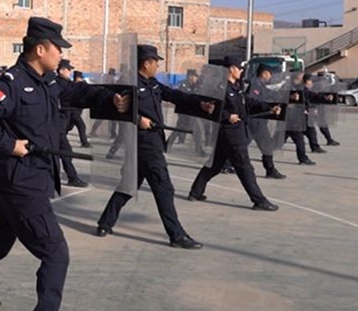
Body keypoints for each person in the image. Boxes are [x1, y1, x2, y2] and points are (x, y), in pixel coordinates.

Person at [0, 17, 131, 311]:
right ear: (40, 49)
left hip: (27, 179)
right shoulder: (11, 83)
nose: (61, 54)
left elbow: (78, 91)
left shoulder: (48, 80)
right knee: (55, 252)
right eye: (57, 49)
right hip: (22, 181)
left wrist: (112, 98)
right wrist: (9, 144)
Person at [95, 45, 212, 248]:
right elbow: (117, 108)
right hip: (144, 143)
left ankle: (105, 223)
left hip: (153, 141)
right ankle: (176, 235)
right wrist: (138, 118)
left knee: (128, 186)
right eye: (155, 62)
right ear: (146, 63)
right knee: (164, 189)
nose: (157, 66)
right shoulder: (129, 84)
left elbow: (175, 95)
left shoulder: (153, 84)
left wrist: (199, 103)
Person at [187, 56, 281, 211]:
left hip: (233, 132)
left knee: (214, 166)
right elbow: (212, 108)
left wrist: (268, 107)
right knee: (245, 168)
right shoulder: (220, 87)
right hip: (231, 133)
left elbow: (248, 101)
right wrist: (227, 116)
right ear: (231, 69)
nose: (241, 71)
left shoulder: (236, 87)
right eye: (239, 68)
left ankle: (195, 192)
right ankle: (259, 200)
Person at [246, 64, 286, 179]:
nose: (270, 77)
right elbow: (252, 100)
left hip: (258, 121)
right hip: (254, 121)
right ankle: (270, 169)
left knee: (246, 145)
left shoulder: (261, 85)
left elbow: (269, 94)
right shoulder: (255, 84)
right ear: (264, 73)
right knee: (264, 146)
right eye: (270, 74)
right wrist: (267, 107)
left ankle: (270, 169)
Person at [55, 59, 88, 187]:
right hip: (57, 124)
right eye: (68, 69)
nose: (70, 72)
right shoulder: (59, 83)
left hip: (62, 123)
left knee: (60, 152)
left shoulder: (66, 83)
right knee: (65, 151)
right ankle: (72, 177)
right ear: (61, 70)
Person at [66, 70, 91, 147]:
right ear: (77, 78)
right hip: (73, 111)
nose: (81, 79)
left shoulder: (77, 85)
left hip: (74, 111)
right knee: (81, 126)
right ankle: (84, 143)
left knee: (67, 128)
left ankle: (59, 138)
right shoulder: (73, 86)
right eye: (80, 78)